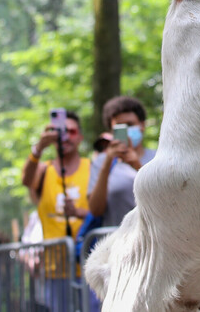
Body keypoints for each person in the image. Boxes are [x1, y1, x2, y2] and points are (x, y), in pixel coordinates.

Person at [88, 96, 157, 228]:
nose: (126, 130)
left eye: (130, 125)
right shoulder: (101, 162)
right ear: (111, 131)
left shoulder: (158, 157)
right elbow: (95, 210)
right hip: (117, 242)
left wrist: (137, 166)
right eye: (120, 126)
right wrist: (107, 162)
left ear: (142, 125)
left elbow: (164, 199)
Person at [21, 111, 91, 239]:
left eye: (72, 131)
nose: (66, 136)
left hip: (88, 254)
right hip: (53, 257)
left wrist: (77, 213)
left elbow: (102, 212)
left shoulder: (92, 168)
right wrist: (39, 148)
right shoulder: (44, 170)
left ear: (80, 137)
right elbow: (26, 180)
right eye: (62, 131)